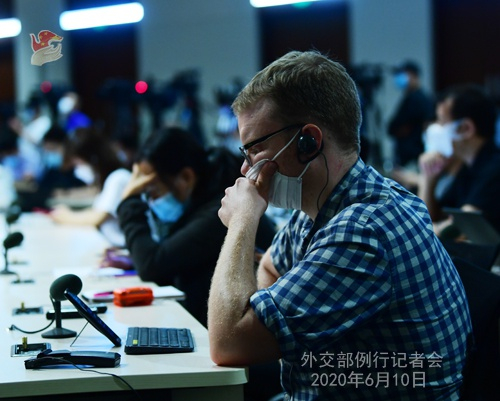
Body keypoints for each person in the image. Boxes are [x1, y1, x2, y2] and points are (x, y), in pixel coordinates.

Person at [207, 50, 471, 400]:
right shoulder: (324, 206)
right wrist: (279, 322)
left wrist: (243, 220)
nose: (246, 169)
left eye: (254, 148)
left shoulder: (363, 230)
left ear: (309, 142)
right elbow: (270, 265)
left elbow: (228, 344)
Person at [117, 126, 276, 327]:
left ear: (186, 177)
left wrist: (129, 201)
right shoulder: (202, 202)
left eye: (152, 189)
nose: (151, 199)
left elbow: (152, 265)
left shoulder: (220, 213)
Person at [418, 84, 500, 236]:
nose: (435, 128)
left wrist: (426, 230)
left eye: (441, 121)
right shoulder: (468, 168)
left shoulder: (494, 169)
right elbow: (432, 218)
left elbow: (458, 229)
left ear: (466, 128)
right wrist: (428, 177)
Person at [49, 128, 131, 247]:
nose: (78, 168)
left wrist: (66, 216)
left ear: (92, 158)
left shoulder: (118, 177)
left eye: (78, 162)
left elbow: (99, 217)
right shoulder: (108, 180)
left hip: (118, 249)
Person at [388, 60, 435, 169]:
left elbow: (400, 126)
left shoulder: (417, 99)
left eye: (404, 74)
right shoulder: (409, 98)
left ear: (414, 75)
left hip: (413, 157)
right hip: (408, 156)